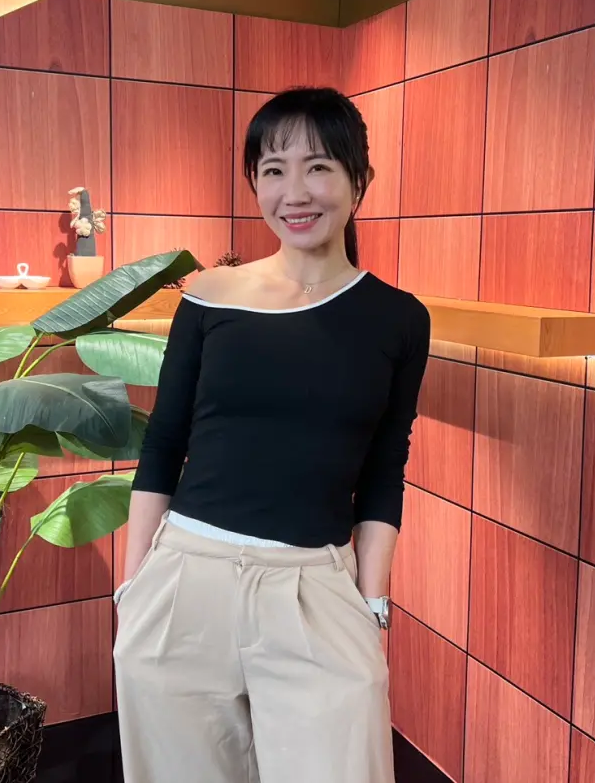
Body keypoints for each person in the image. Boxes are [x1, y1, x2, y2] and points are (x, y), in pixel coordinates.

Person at [112, 87, 431, 783]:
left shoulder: (399, 319)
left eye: (318, 167)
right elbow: (163, 442)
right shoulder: (208, 297)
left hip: (316, 586)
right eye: (274, 170)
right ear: (255, 181)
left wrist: (371, 603)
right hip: (186, 579)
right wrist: (132, 590)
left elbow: (385, 466)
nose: (295, 192)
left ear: (359, 180)